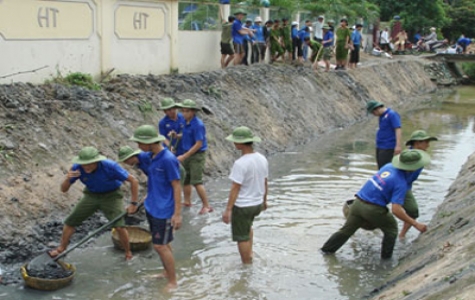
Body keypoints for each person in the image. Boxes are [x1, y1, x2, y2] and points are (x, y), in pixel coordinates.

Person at [321, 149, 430, 259]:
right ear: (413, 168)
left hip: (357, 202)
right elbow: (396, 210)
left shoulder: (388, 167)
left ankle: (326, 251)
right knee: (391, 229)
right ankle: (385, 261)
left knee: (346, 230)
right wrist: (416, 224)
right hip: (373, 209)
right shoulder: (400, 182)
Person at [49, 146, 139, 260]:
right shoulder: (77, 168)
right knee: (70, 221)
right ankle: (61, 248)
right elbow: (64, 189)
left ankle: (128, 253)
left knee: (119, 226)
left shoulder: (110, 166)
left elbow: (133, 180)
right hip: (91, 195)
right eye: (84, 164)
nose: (86, 167)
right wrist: (67, 179)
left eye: (90, 164)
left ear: (97, 161)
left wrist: (133, 203)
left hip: (111, 196)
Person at [129, 125, 182, 291]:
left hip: (164, 209)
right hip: (152, 206)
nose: (138, 146)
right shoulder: (151, 156)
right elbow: (135, 158)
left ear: (150, 143)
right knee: (163, 244)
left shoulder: (167, 159)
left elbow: (176, 186)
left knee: (160, 246)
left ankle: (173, 281)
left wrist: (177, 214)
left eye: (140, 143)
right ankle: (167, 272)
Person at [222, 126, 268, 264]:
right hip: (257, 203)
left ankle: (246, 266)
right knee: (248, 227)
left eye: (235, 141)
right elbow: (265, 182)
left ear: (240, 143)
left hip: (243, 205)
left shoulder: (240, 163)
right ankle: (250, 253)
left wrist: (228, 210)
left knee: (241, 237)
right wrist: (264, 201)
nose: (234, 143)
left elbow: (235, 188)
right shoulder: (262, 158)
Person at [399, 130, 438, 239]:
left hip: (406, 186)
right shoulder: (408, 156)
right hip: (400, 186)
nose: (428, 145)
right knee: (412, 211)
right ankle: (401, 235)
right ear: (417, 143)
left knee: (412, 211)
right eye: (426, 142)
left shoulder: (419, 156)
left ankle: (401, 235)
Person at [176, 99, 213, 214]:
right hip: (187, 153)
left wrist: (185, 155)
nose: (184, 114)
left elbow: (199, 143)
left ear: (193, 112)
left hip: (196, 155)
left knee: (197, 181)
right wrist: (177, 136)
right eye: (183, 111)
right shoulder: (186, 122)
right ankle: (187, 201)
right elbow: (187, 135)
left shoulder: (198, 124)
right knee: (186, 179)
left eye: (186, 111)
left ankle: (206, 205)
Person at [366, 100, 402, 169]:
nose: (374, 115)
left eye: (373, 113)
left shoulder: (392, 115)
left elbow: (398, 129)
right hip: (380, 146)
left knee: (385, 169)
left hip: (388, 147)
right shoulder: (381, 117)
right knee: (380, 168)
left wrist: (398, 146)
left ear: (377, 109)